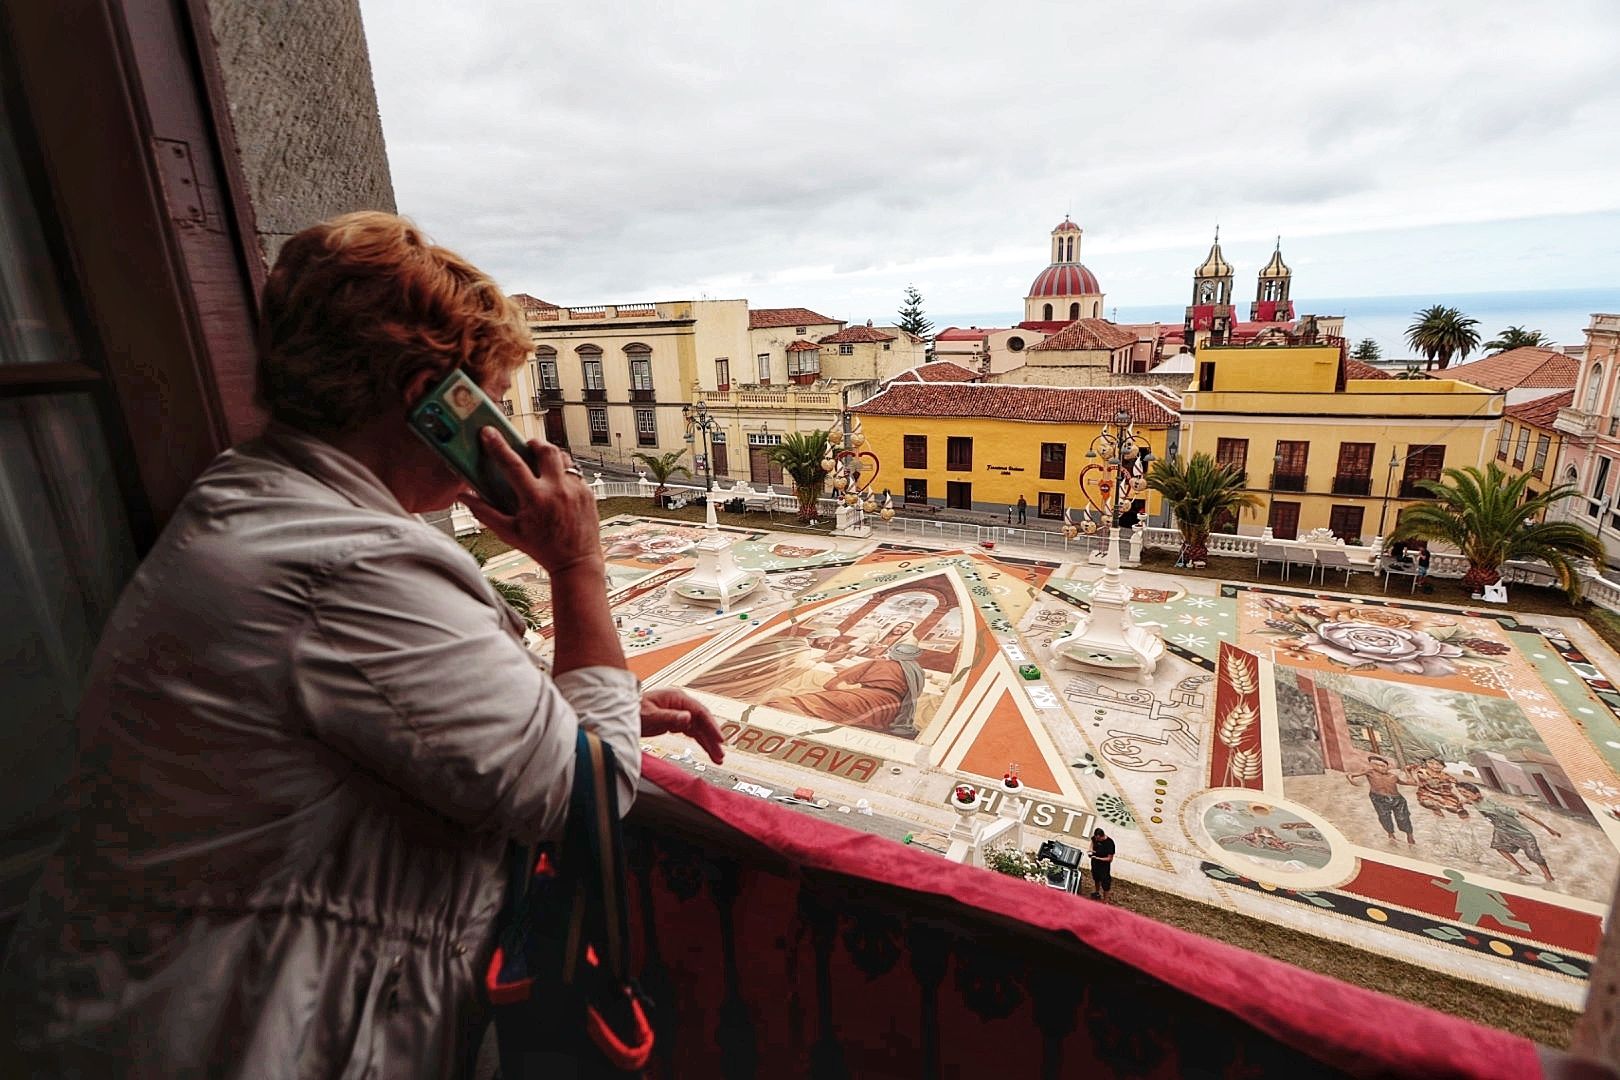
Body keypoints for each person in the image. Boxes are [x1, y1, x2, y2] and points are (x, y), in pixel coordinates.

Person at [0, 212, 726, 1078]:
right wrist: (577, 563)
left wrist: (558, 711)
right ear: (431, 398)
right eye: (487, 396)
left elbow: (389, 705)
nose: (502, 424)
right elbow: (586, 800)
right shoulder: (355, 562)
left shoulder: (254, 496)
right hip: (239, 1035)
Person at [1459, 783, 1562, 882]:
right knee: (1500, 848)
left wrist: (1549, 829)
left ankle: (1548, 876)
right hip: (1501, 830)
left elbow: (1523, 813)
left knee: (1534, 855)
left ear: (1478, 794)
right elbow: (1473, 802)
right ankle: (1522, 869)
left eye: (1465, 793)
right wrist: (1465, 802)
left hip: (1519, 832)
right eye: (1461, 792)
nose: (1463, 795)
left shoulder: (1495, 806)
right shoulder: (1474, 801)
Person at [1345, 754, 1417, 844]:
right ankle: (1391, 834)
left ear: (1387, 766)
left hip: (1397, 800)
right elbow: (1351, 775)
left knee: (1403, 818)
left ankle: (1409, 835)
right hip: (1378, 798)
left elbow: (1410, 783)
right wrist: (1351, 780)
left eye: (1383, 766)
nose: (1381, 768)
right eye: (1377, 766)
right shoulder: (1370, 772)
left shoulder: (1393, 776)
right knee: (1384, 816)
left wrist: (1408, 772)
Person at [1089, 828, 1116, 902]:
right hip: (1095, 864)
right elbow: (1092, 843)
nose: (1096, 840)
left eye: (1098, 839)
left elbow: (1109, 859)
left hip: (1104, 867)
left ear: (1102, 836)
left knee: (1105, 883)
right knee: (1096, 879)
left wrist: (1098, 858)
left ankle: (1105, 900)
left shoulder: (1110, 843)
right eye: (1096, 838)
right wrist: (1091, 850)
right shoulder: (1095, 838)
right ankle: (1097, 892)